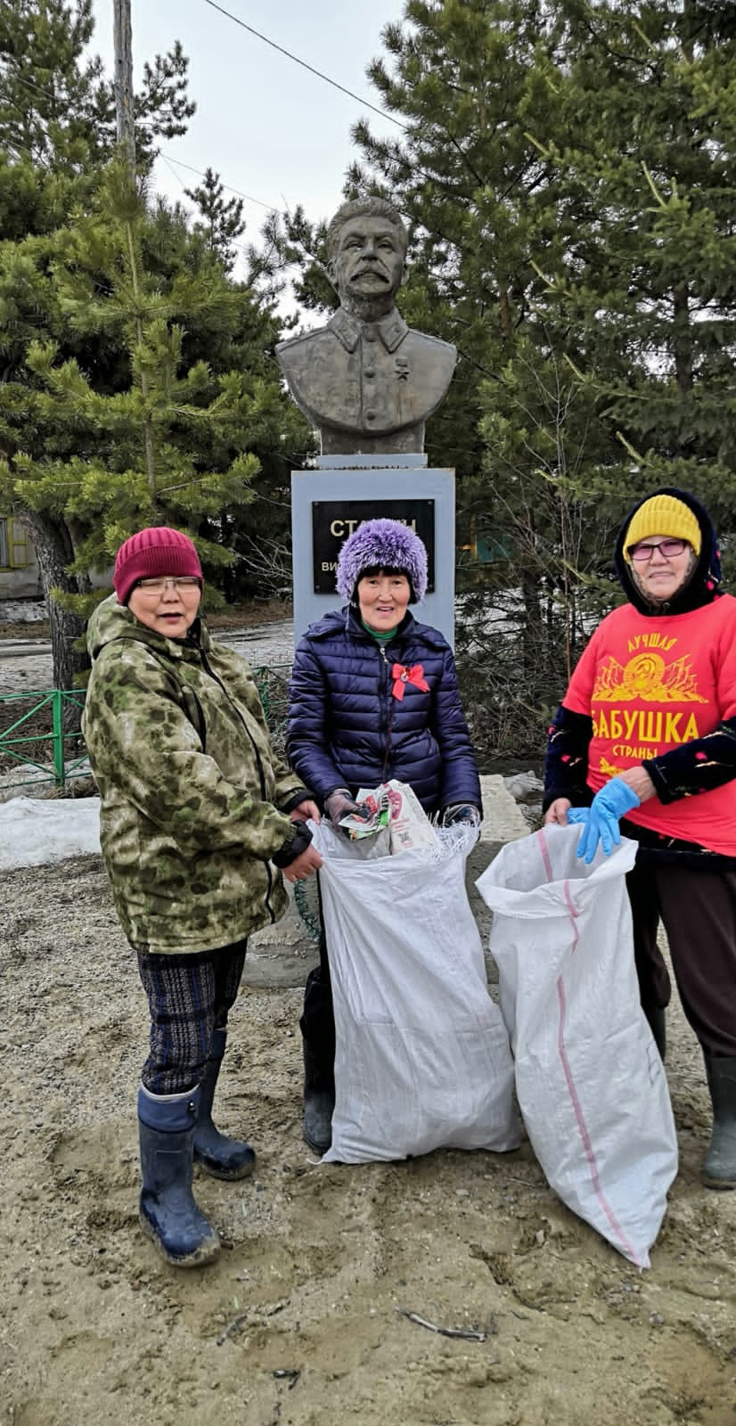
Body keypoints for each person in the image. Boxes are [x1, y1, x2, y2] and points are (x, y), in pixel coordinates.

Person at [82, 527, 322, 1268]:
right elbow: (182, 785)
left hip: (225, 885)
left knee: (215, 1016)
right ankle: (164, 1191)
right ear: (128, 594)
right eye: (153, 585)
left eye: (181, 582)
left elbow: (252, 748)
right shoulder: (126, 669)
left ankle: (197, 1128)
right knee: (178, 1042)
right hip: (172, 889)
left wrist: (293, 795)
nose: (171, 596)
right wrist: (279, 839)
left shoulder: (213, 658)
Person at [543, 489, 736, 1191]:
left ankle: (732, 1115)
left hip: (696, 840)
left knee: (710, 979)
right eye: (642, 549)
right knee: (627, 971)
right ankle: (647, 1090)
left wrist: (642, 782)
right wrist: (564, 793)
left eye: (671, 545)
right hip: (611, 839)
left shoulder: (732, 622)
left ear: (698, 552)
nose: (656, 558)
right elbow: (571, 722)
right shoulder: (613, 627)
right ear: (627, 562)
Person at [285, 518, 482, 1152]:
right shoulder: (319, 647)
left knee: (423, 958)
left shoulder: (432, 649)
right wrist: (337, 799)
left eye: (396, 579)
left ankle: (419, 1084)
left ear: (413, 586)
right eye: (372, 579)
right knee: (337, 965)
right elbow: (304, 740)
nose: (385, 593)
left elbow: (453, 740)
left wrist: (462, 809)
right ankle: (324, 1087)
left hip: (417, 826)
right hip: (349, 830)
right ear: (353, 585)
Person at [275, 197, 456, 455]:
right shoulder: (299, 357)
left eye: (384, 246)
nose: (369, 254)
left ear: (403, 272)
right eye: (354, 245)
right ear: (332, 271)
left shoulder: (438, 358)